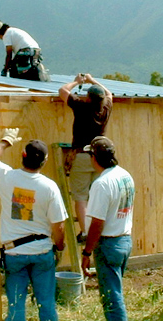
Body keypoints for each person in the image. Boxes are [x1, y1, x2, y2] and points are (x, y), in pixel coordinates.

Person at [0, 128, 67, 321]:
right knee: (46, 304)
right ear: (44, 161)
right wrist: (59, 246)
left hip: (14, 253)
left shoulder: (6, 177)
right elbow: (59, 226)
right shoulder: (49, 187)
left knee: (15, 307)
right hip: (41, 252)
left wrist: (6, 141)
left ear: (23, 156)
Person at [80, 136, 135, 321]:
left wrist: (87, 252)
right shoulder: (125, 175)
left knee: (111, 299)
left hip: (108, 244)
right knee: (116, 291)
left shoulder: (102, 184)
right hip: (124, 240)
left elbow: (97, 223)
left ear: (94, 158)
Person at [59, 73, 113, 243]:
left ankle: (85, 232)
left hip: (82, 156)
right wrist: (92, 80)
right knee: (96, 196)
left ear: (88, 98)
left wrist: (77, 81)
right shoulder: (105, 110)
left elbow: (62, 91)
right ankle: (100, 230)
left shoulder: (81, 107)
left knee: (81, 197)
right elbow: (109, 94)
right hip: (99, 158)